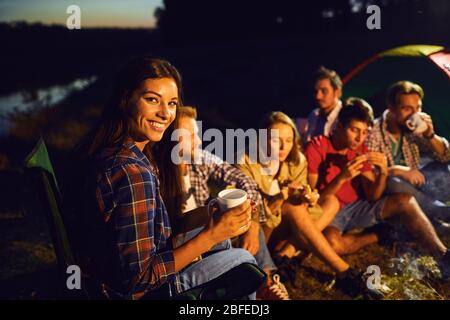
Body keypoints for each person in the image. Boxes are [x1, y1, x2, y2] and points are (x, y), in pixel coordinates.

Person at [79, 57, 257, 300]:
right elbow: (139, 280)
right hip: (140, 293)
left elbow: (154, 235)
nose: (165, 113)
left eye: (172, 103)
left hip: (114, 273)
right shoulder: (132, 173)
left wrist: (210, 212)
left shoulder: (120, 152)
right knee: (244, 260)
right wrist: (210, 235)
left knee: (223, 246)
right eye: (152, 99)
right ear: (125, 99)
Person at [235, 111, 385, 298]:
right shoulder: (245, 161)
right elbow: (248, 212)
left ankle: (286, 254)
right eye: (276, 140)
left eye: (289, 140)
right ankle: (345, 272)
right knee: (293, 207)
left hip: (285, 229)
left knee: (329, 201)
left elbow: (303, 200)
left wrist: (307, 198)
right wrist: (281, 198)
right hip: (257, 234)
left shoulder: (297, 160)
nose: (283, 146)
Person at [304, 97, 450, 283]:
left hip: (357, 206)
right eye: (354, 130)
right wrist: (342, 178)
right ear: (339, 126)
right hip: (331, 211)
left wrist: (381, 173)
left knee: (405, 200)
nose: (360, 138)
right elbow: (313, 200)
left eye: (365, 132)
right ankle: (382, 234)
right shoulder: (317, 147)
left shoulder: (360, 148)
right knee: (333, 243)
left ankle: (443, 255)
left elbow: (373, 195)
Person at [172, 106, 290, 300]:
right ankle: (265, 284)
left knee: (246, 216)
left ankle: (267, 282)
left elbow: (244, 180)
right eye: (191, 136)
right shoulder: (159, 173)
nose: (199, 141)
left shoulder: (199, 158)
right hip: (187, 242)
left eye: (198, 134)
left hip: (210, 228)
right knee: (242, 257)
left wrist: (252, 222)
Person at [366, 81, 450, 222]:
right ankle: (441, 212)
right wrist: (399, 170)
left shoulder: (414, 127)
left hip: (417, 185)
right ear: (391, 108)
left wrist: (431, 136)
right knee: (392, 182)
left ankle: (428, 214)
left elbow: (445, 156)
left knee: (446, 169)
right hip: (394, 194)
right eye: (407, 109)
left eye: (418, 108)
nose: (414, 114)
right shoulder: (373, 132)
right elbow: (371, 176)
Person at [302, 66, 343, 145]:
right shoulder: (313, 115)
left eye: (324, 91)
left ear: (337, 92)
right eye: (316, 91)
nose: (318, 96)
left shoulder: (346, 116)